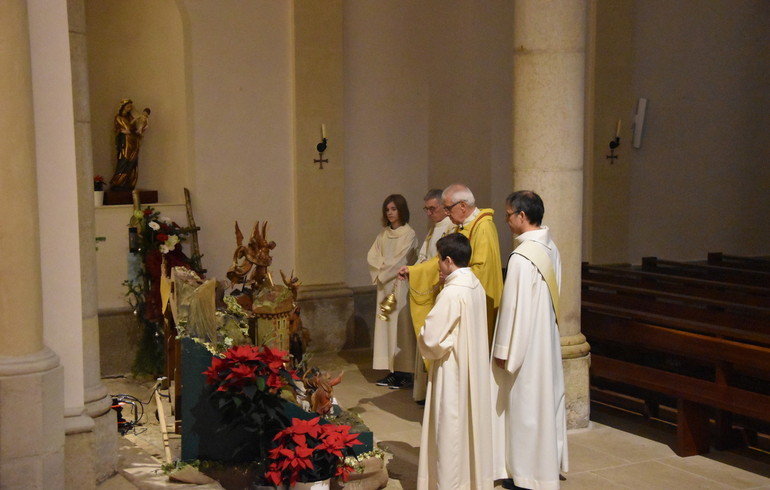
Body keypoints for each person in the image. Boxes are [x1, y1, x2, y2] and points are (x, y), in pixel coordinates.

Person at [491, 190, 568, 490]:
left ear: (523, 216)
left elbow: (513, 310)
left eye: (509, 215)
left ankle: (527, 475)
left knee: (526, 409)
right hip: (544, 340)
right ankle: (546, 465)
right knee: (545, 405)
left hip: (525, 345)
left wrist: (502, 351)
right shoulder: (552, 249)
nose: (507, 221)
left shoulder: (522, 258)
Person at [416, 233, 494, 490]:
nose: (438, 265)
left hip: (453, 370)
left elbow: (431, 338)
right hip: (472, 369)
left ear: (448, 260)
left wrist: (444, 344)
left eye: (439, 259)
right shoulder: (475, 285)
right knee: (468, 430)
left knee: (450, 430)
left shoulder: (452, 293)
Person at [399, 184, 503, 345]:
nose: (446, 213)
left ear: (462, 206)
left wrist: (451, 276)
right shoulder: (461, 226)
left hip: (476, 301)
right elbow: (443, 258)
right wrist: (414, 271)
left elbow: (482, 269)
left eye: (448, 208)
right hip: (460, 297)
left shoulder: (483, 227)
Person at [367, 194, 419, 389]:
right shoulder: (383, 234)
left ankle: (405, 372)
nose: (390, 213)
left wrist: (384, 271)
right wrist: (382, 271)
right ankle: (392, 371)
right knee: (386, 327)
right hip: (384, 287)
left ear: (402, 210)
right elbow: (372, 256)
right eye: (387, 209)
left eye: (393, 209)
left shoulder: (409, 233)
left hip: (400, 285)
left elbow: (401, 260)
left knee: (400, 328)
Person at [413, 188, 455, 404]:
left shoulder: (450, 229)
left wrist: (416, 272)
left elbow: (438, 261)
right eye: (426, 209)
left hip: (440, 288)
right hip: (429, 287)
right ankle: (425, 390)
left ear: (444, 209)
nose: (429, 213)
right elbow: (423, 257)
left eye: (433, 208)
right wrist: (416, 271)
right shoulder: (433, 230)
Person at [110, 99, 150, 190]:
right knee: (124, 160)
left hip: (134, 141)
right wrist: (132, 127)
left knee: (133, 161)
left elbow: (135, 128)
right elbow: (127, 128)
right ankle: (118, 182)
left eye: (130, 107)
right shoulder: (118, 117)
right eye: (128, 107)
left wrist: (140, 125)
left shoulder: (130, 117)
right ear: (123, 107)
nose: (129, 109)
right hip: (125, 141)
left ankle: (129, 182)